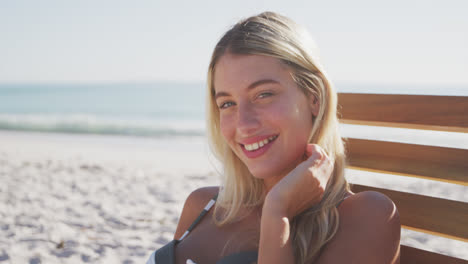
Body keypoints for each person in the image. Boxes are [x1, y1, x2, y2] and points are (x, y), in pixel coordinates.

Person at [147, 11, 400, 264]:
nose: (243, 124)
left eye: (264, 94)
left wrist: (277, 215)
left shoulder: (366, 216)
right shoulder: (202, 205)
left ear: (315, 98)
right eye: (227, 104)